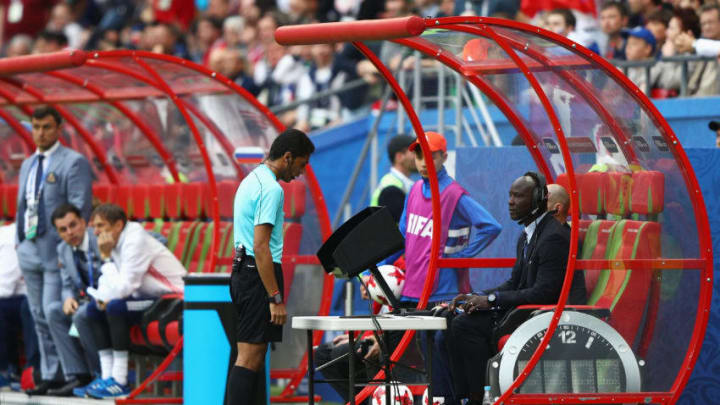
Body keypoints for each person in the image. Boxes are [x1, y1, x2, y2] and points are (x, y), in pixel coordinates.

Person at [317, 131, 502, 404]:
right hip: (412, 294)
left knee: (439, 362)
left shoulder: (454, 193)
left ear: (444, 157)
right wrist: (374, 273)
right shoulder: (415, 190)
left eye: (432, 155)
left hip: (444, 294)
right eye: (419, 155)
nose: (425, 161)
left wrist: (459, 257)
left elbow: (491, 226)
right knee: (387, 355)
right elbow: (402, 238)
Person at [444, 172, 587, 404]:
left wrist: (492, 301)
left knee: (465, 326)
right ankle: (456, 397)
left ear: (540, 199)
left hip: (543, 316)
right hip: (526, 310)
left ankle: (477, 397)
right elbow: (515, 283)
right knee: (451, 318)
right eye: (510, 195)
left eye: (518, 196)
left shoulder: (554, 238)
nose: (510, 201)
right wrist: (479, 296)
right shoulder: (528, 235)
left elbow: (544, 293)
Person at [227, 129, 315, 403]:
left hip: (242, 271)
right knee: (249, 360)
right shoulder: (272, 189)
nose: (300, 173)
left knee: (249, 357)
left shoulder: (251, 179)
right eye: (300, 165)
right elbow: (261, 246)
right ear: (287, 158)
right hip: (258, 275)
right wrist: (275, 297)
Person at [16, 106, 93, 395]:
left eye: (46, 127)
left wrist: (65, 247)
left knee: (51, 312)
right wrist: (20, 240)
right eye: (36, 127)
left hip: (55, 251)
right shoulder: (28, 164)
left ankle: (66, 371)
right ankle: (50, 373)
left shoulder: (73, 162)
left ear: (58, 128)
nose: (40, 133)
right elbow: (24, 205)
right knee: (37, 314)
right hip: (29, 248)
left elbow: (80, 206)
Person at [82, 203, 187, 398]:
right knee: (93, 309)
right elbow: (108, 285)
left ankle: (120, 380)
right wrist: (102, 298)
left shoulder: (134, 240)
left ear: (118, 225)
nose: (95, 232)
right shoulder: (114, 241)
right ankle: (107, 377)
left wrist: (106, 259)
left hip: (174, 299)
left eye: (100, 226)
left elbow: (123, 288)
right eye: (94, 226)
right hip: (149, 299)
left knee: (115, 307)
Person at [45, 204, 102, 396]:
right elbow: (67, 283)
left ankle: (100, 374)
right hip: (84, 299)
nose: (70, 232)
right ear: (58, 233)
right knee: (53, 310)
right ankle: (79, 375)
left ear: (83, 223)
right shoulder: (63, 249)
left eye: (73, 225)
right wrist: (67, 297)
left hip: (109, 298)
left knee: (82, 315)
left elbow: (157, 239)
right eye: (63, 229)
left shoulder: (99, 237)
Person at [0, 223, 39, 390]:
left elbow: (4, 286)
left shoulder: (8, 235)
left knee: (29, 308)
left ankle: (23, 370)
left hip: (26, 296)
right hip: (13, 296)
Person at [370, 134, 416, 223]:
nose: (418, 157)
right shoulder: (391, 188)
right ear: (399, 157)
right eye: (414, 152)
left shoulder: (398, 183)